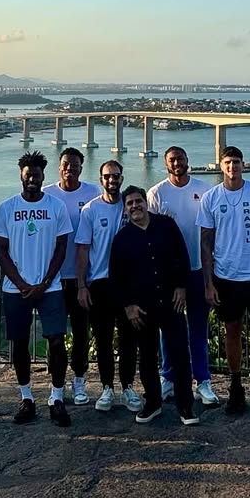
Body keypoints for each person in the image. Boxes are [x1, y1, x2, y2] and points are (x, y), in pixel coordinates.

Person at [0, 151, 72, 427]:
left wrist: (46, 281)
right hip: (17, 290)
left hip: (50, 288)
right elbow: (1, 252)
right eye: (27, 175)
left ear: (42, 177)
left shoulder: (56, 207)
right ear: (21, 176)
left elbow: (62, 247)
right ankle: (26, 397)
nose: (31, 180)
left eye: (36, 175)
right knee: (19, 344)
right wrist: (23, 284)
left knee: (56, 341)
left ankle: (57, 397)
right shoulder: (6, 208)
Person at [198, 145, 250, 415]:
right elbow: (206, 242)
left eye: (237, 162)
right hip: (226, 277)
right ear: (221, 166)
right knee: (231, 332)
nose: (233, 167)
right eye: (228, 162)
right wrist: (208, 283)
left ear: (243, 165)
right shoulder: (210, 198)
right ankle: (235, 386)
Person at [110, 186, 200, 427]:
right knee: (147, 357)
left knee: (180, 354)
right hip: (142, 307)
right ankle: (153, 402)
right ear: (125, 208)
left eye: (138, 201)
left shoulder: (166, 226)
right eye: (129, 204)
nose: (135, 206)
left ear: (146, 202)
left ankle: (185, 405)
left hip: (171, 302)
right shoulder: (121, 239)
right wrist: (128, 306)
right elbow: (117, 277)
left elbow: (182, 256)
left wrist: (182, 287)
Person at [147, 146, 218, 408]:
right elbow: (150, 234)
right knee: (168, 328)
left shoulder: (205, 190)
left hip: (198, 269)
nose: (177, 163)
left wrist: (211, 276)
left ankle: (203, 381)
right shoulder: (157, 193)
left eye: (181, 158)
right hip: (168, 274)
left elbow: (211, 232)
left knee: (198, 328)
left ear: (188, 160)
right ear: (166, 164)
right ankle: (169, 377)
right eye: (172, 160)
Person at [75, 161, 142, 413]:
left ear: (121, 177)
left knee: (128, 338)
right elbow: (82, 249)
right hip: (100, 283)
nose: (112, 180)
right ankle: (106, 387)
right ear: (101, 179)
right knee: (102, 339)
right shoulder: (91, 210)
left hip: (128, 284)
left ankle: (127, 387)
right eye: (107, 176)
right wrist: (82, 285)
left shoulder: (130, 206)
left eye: (115, 176)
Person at [44, 147, 99, 405]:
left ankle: (78, 380)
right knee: (54, 334)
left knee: (80, 332)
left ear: (81, 166)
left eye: (75, 164)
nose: (70, 168)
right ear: (59, 166)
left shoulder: (92, 193)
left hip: (81, 279)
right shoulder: (46, 195)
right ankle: (56, 383)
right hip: (53, 278)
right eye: (66, 164)